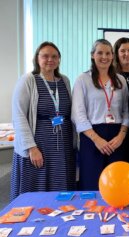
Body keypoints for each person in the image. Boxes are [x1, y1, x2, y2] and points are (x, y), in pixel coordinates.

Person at [10, 41, 76, 200]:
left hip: (62, 144)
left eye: (54, 56)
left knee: (61, 186)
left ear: (59, 59)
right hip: (39, 144)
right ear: (37, 58)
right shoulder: (28, 80)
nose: (50, 59)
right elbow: (18, 115)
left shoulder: (64, 80)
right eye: (45, 56)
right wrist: (31, 148)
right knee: (36, 191)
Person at [72, 39, 129, 191]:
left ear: (112, 56)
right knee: (92, 182)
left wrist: (121, 136)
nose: (104, 57)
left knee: (115, 183)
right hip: (92, 136)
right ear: (92, 55)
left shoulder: (120, 80)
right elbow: (78, 114)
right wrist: (97, 139)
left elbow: (127, 110)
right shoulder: (82, 80)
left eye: (108, 53)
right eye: (100, 53)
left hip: (116, 137)